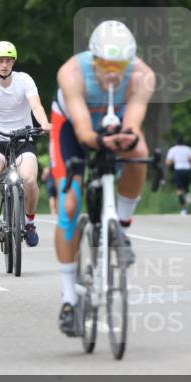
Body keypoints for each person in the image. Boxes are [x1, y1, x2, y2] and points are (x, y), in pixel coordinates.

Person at [50, 20, 156, 336]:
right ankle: (69, 298)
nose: (112, 72)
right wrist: (98, 141)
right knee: (69, 205)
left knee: (140, 154)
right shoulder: (72, 73)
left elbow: (134, 125)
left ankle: (121, 227)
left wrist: (128, 140)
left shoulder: (143, 76)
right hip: (72, 126)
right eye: (105, 65)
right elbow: (83, 130)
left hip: (115, 121)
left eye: (119, 65)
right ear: (93, 59)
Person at [0, 40, 51, 246]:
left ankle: (30, 223)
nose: (4, 64)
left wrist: (45, 123)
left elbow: (36, 106)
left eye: (7, 60)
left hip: (22, 139)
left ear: (13, 62)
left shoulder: (25, 81)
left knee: (30, 179)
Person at [166, 135, 191, 214]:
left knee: (179, 190)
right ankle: (189, 204)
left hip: (178, 169)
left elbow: (168, 162)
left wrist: (174, 162)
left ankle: (183, 208)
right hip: (187, 169)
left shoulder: (173, 149)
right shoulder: (188, 149)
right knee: (186, 188)